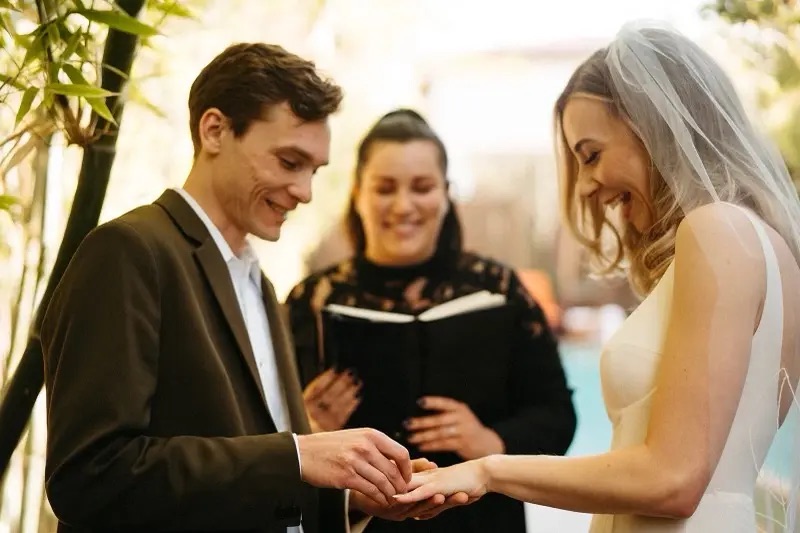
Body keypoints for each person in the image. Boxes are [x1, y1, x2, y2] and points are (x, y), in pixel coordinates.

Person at [40, 43, 466, 533]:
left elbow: (260, 482)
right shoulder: (129, 251)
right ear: (214, 130)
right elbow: (89, 478)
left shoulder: (260, 284)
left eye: (314, 170)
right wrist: (297, 455)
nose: (305, 190)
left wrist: (355, 499)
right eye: (289, 161)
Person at [395, 21, 800, 532]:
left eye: (591, 155)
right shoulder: (769, 248)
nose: (586, 184)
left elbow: (674, 479)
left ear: (653, 126)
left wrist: (489, 470)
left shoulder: (715, 229)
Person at [285, 109, 577, 532]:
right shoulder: (312, 303)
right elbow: (262, 439)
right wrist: (307, 428)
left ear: (446, 193)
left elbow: (557, 414)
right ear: (358, 194)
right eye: (385, 189)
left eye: (421, 188)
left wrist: (490, 442)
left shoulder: (497, 292)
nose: (404, 206)